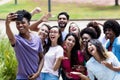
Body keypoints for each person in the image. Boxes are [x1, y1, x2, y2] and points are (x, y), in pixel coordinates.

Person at [5, 10, 44, 80]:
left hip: (37, 77)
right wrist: (7, 24)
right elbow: (10, 37)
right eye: (17, 23)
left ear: (29, 24)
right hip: (21, 78)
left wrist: (38, 73)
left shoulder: (37, 38)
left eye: (23, 23)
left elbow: (42, 58)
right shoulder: (17, 40)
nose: (20, 25)